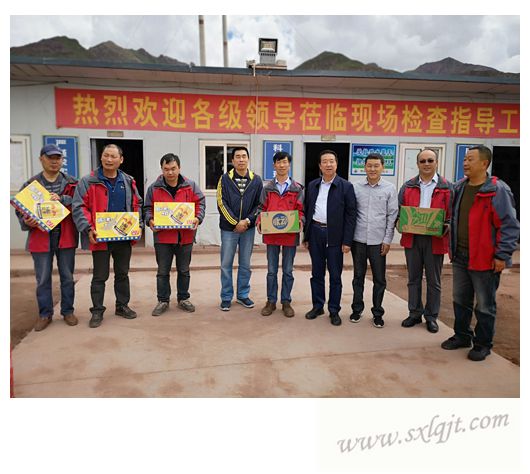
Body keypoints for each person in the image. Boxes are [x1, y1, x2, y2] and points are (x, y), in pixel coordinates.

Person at [441, 145, 519, 361]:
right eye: (465, 159)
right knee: (460, 299)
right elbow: (454, 217)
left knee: (485, 304)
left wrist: (502, 255)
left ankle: (483, 344)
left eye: (470, 159)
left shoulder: (497, 190)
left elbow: (509, 225)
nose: (465, 163)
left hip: (485, 258)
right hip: (460, 255)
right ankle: (462, 335)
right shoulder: (459, 187)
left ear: (484, 163)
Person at [72, 144, 143, 328]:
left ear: (121, 160)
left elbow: (137, 204)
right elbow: (79, 206)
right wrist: (88, 228)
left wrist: (138, 224)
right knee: (99, 276)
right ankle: (97, 310)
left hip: (123, 237)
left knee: (122, 274)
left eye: (113, 156)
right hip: (100, 237)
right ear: (101, 157)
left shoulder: (128, 181)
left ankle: (122, 306)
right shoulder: (88, 181)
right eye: (106, 155)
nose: (109, 160)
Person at [15, 144, 79, 331]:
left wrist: (63, 199)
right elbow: (20, 210)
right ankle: (45, 314)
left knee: (67, 276)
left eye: (58, 158)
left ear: (62, 160)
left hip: (65, 236)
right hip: (40, 237)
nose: (54, 161)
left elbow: (80, 203)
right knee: (43, 279)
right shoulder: (31, 185)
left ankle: (67, 311)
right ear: (41, 159)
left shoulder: (71, 183)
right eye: (50, 157)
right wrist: (27, 222)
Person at [144, 153, 206, 316]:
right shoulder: (154, 188)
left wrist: (197, 217)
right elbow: (147, 208)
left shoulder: (191, 186)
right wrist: (150, 220)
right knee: (162, 271)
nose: (170, 172)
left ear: (179, 168)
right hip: (163, 237)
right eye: (166, 169)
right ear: (162, 169)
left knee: (184, 270)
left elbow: (200, 203)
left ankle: (183, 298)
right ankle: (163, 300)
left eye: (173, 168)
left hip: (185, 237)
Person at [398, 148, 452, 334]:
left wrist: (446, 226)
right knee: (413, 278)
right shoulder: (408, 186)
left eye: (430, 160)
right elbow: (399, 210)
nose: (426, 164)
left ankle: (431, 317)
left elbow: (453, 215)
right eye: (423, 161)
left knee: (433, 281)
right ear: (417, 164)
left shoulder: (447, 187)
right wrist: (400, 223)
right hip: (413, 238)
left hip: (435, 239)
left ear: (436, 162)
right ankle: (414, 313)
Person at [303, 150, 356, 326]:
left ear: (336, 164)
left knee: (335, 275)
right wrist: (306, 236)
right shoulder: (312, 185)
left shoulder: (346, 186)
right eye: (324, 161)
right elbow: (308, 210)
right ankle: (318, 306)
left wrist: (347, 240)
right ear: (320, 166)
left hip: (335, 235)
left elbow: (351, 215)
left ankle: (334, 310)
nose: (328, 164)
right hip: (315, 232)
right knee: (316, 273)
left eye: (331, 161)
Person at [350, 153, 398, 328]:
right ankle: (357, 309)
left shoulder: (389, 188)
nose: (372, 169)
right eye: (369, 165)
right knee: (358, 277)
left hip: (378, 242)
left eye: (376, 166)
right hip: (358, 240)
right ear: (364, 167)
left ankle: (377, 313)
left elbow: (392, 216)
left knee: (379, 279)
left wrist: (387, 239)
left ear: (382, 167)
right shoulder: (355, 187)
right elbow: (350, 213)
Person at [256, 151, 304, 318]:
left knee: (288, 270)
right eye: (279, 162)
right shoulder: (267, 188)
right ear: (274, 165)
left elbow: (301, 210)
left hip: (290, 235)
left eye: (285, 162)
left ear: (289, 165)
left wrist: (300, 221)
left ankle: (286, 301)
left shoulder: (297, 188)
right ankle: (271, 301)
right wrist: (259, 222)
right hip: (272, 236)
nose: (282, 165)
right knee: (271, 270)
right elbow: (261, 209)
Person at [217, 146, 263, 311]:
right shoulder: (224, 179)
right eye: (238, 157)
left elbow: (260, 204)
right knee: (226, 264)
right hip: (228, 229)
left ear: (248, 159)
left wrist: (247, 221)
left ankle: (243, 295)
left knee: (245, 263)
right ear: (232, 160)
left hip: (248, 229)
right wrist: (235, 222)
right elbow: (221, 203)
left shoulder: (256, 180)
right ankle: (226, 297)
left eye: (244, 156)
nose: (241, 159)